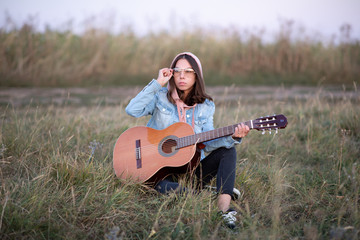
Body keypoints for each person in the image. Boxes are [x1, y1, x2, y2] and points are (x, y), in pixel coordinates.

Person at [125, 52, 250, 229]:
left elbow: (208, 143)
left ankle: (224, 210)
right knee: (170, 189)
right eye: (177, 71)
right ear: (172, 73)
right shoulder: (160, 96)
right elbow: (132, 110)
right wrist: (157, 83)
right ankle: (204, 192)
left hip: (190, 170)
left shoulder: (206, 106)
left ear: (197, 75)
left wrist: (232, 137)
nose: (182, 76)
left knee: (228, 150)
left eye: (188, 71)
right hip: (159, 171)